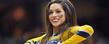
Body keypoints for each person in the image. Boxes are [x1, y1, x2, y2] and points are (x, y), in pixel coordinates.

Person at [24, 0, 94, 44]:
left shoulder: (70, 32)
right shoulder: (43, 38)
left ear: (67, 14)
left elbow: (88, 29)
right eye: (50, 12)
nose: (54, 15)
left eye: (58, 11)